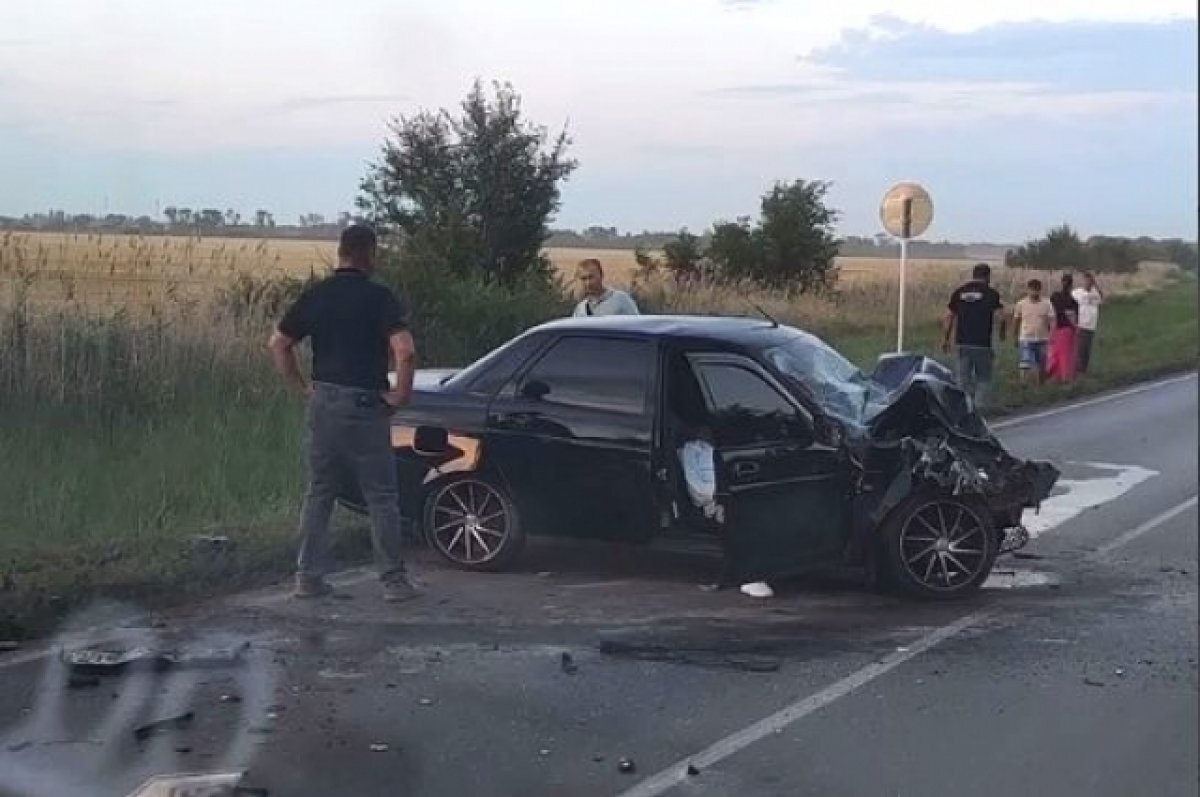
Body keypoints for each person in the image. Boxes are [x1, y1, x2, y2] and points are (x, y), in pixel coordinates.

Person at [268, 224, 419, 602]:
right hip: (366, 405)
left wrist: (302, 386)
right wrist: (400, 394)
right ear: (368, 253)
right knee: (381, 496)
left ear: (340, 253)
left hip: (324, 403)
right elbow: (405, 350)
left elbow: (279, 343)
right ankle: (393, 582)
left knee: (320, 492)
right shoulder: (379, 297)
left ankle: (308, 577)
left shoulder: (317, 295)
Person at [942, 263, 1007, 409]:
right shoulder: (991, 294)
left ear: (974, 274)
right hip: (982, 344)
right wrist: (1002, 333)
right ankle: (979, 410)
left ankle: (963, 411)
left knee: (962, 380)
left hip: (962, 342)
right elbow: (1001, 318)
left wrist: (945, 339)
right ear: (988, 276)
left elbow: (948, 317)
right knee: (984, 378)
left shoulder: (959, 292)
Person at [1011, 279, 1055, 384]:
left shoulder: (1047, 303)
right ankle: (1023, 383)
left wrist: (1052, 335)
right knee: (1025, 362)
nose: (1034, 292)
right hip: (1026, 337)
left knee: (1042, 363)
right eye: (1032, 290)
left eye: (1037, 290)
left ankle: (1041, 384)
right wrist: (1015, 336)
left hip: (1042, 338)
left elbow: (1052, 319)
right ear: (1028, 290)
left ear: (1040, 290)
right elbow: (1016, 320)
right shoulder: (1021, 304)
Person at [572, 258, 640, 317]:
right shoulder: (580, 309)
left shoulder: (621, 300)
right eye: (584, 279)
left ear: (601, 275)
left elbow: (636, 326)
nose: (588, 283)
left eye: (591, 277)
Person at [1046, 273, 1080, 383]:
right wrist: (1076, 328)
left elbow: (1049, 313)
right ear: (1071, 286)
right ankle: (1065, 378)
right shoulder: (1073, 301)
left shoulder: (1054, 296)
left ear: (1061, 283)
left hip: (1054, 329)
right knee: (1065, 356)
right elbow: (1074, 319)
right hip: (1067, 330)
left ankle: (1051, 375)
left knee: (1053, 354)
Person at [1071, 271, 1103, 374]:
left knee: (1086, 350)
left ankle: (1083, 370)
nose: (1088, 282)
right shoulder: (1076, 293)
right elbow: (1071, 306)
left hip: (1091, 325)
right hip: (1081, 324)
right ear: (1083, 281)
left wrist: (1096, 286)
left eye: (1090, 281)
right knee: (1080, 348)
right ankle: (1078, 370)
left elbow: (1102, 298)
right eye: (1086, 280)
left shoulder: (1095, 293)